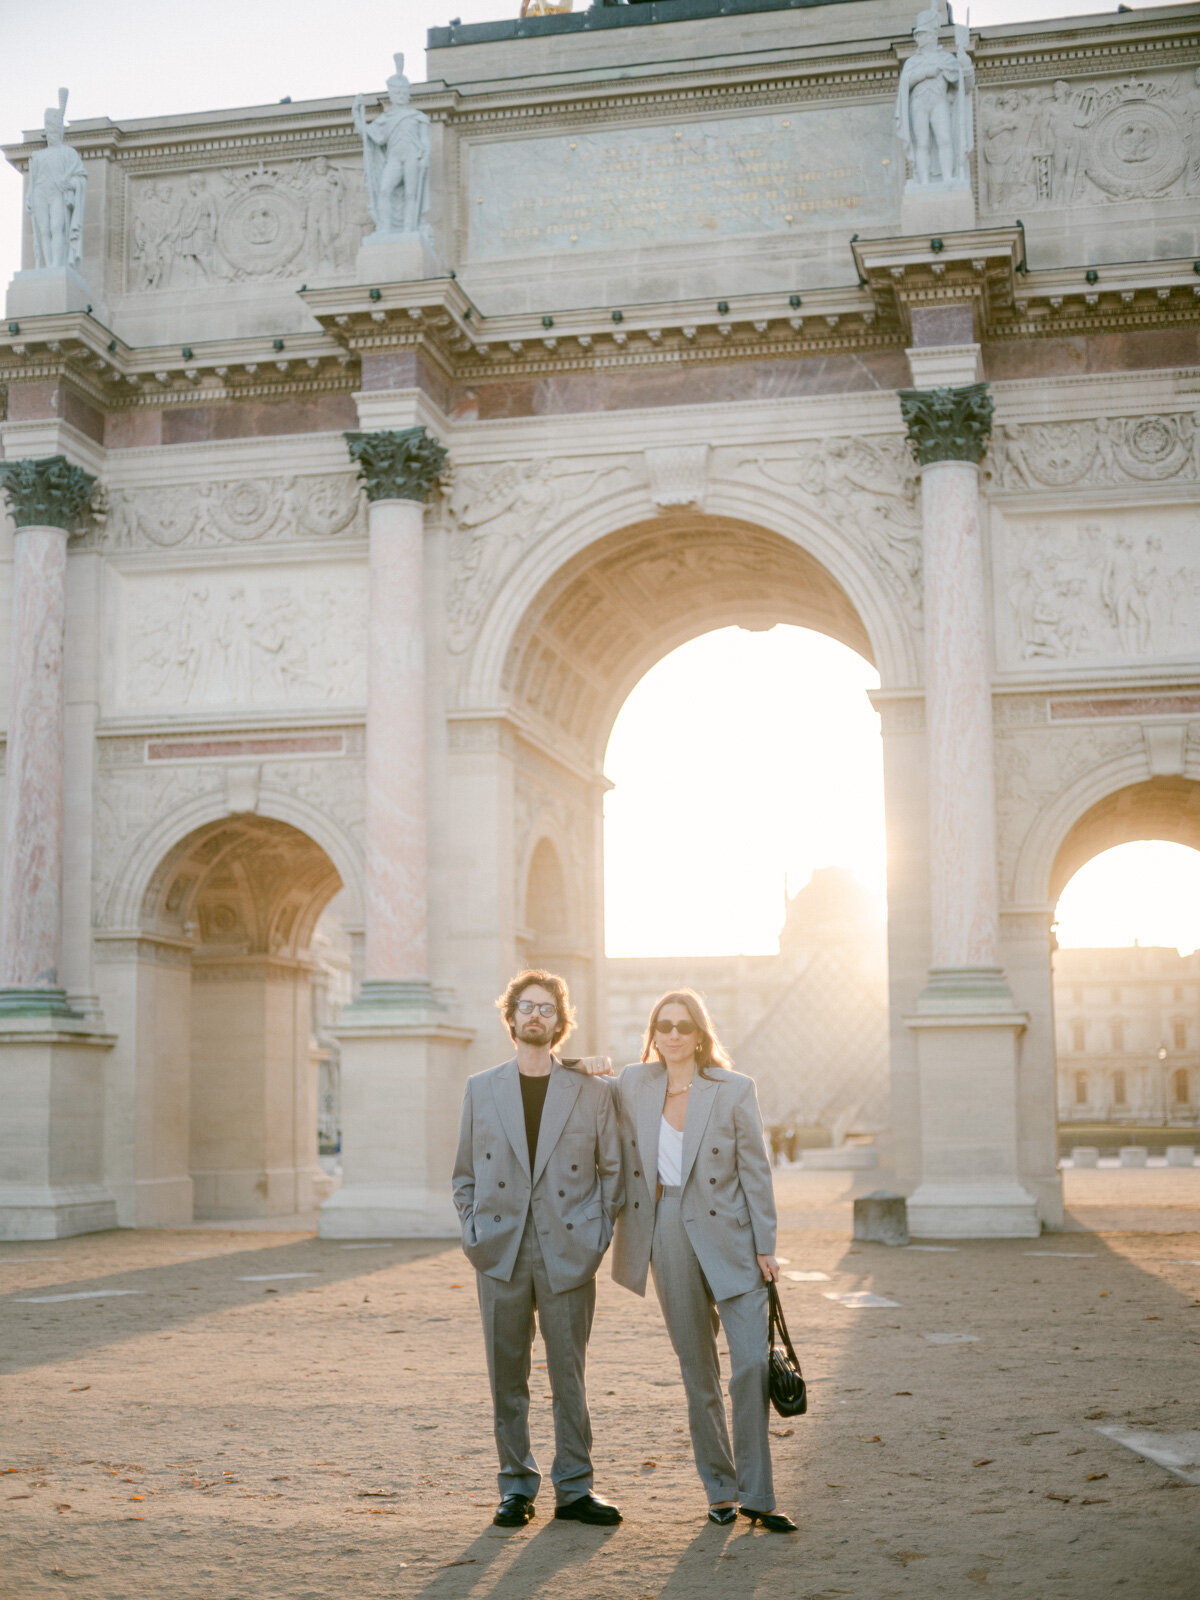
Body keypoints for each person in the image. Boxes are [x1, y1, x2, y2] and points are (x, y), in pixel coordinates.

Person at [607, 990, 796, 1532]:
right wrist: (584, 1061)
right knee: (698, 1372)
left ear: (698, 1032)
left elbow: (756, 1170)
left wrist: (766, 1246)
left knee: (752, 1365)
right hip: (665, 1228)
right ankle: (721, 1489)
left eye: (682, 1025)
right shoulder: (634, 1082)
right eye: (661, 1025)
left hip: (731, 1234)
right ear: (653, 1032)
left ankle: (759, 1494)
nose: (671, 1034)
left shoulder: (734, 1089)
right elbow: (573, 1076)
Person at [452, 970, 623, 1529]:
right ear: (510, 1018)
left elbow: (612, 1173)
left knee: (568, 1374)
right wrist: (474, 1232)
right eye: (526, 1007)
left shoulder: (592, 1091)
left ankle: (575, 1488)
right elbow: (463, 1174)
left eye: (547, 1009)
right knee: (507, 1375)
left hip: (568, 1249)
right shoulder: (481, 1087)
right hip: (499, 1249)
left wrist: (596, 1235)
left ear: (560, 1022)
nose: (535, 1017)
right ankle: (516, 1486)